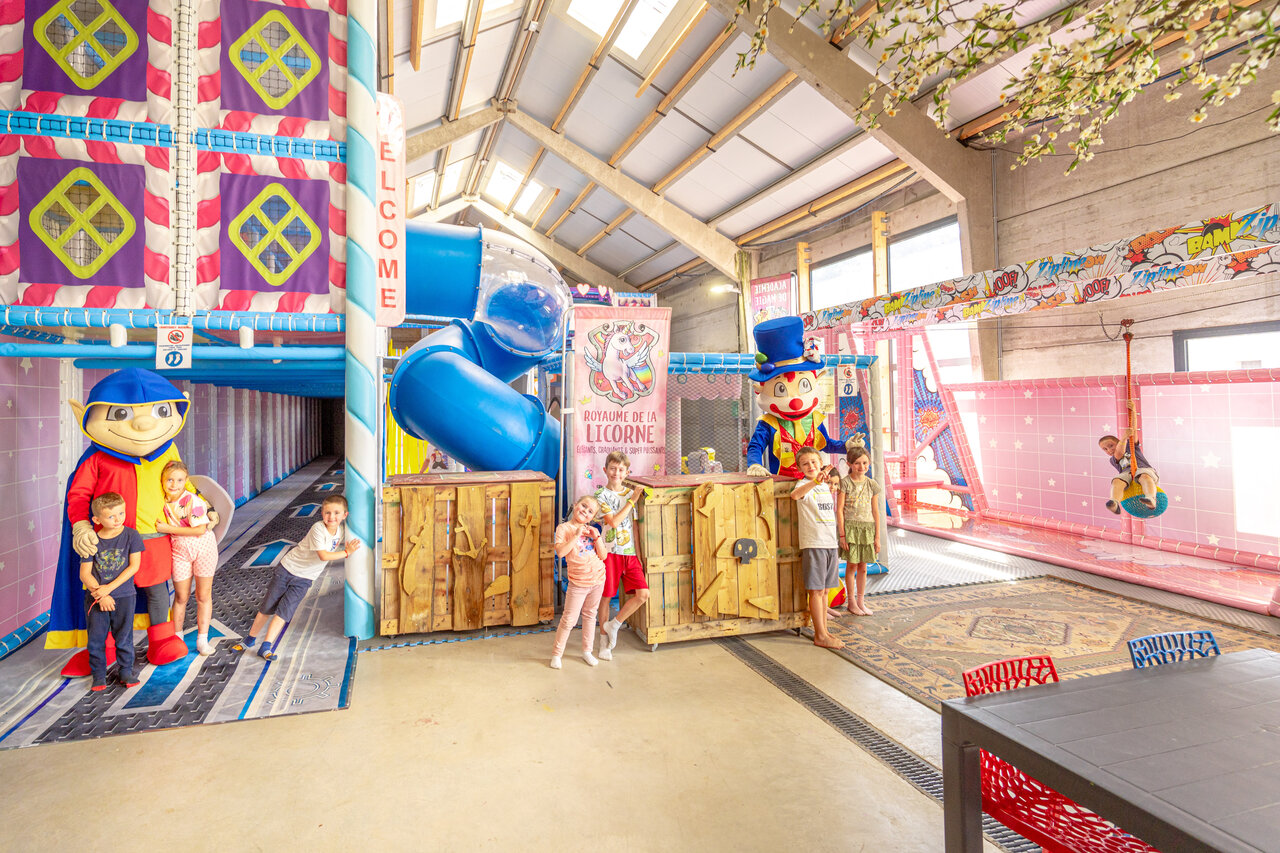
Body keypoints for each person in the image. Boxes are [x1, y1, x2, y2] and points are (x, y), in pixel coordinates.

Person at [232, 495, 360, 662]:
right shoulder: (318, 529)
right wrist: (346, 553)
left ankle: (266, 646)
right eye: (328, 512)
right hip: (287, 569)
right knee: (268, 607)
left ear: (345, 515)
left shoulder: (342, 531)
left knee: (284, 612)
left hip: (305, 578)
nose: (332, 517)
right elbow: (323, 556)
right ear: (322, 513)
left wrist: (350, 549)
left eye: (337, 513)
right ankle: (249, 639)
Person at [79, 493, 144, 691]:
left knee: (124, 637)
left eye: (121, 513)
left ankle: (125, 671)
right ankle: (99, 675)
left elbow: (133, 567)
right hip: (96, 598)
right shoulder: (92, 540)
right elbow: (85, 574)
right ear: (97, 520)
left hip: (124, 596)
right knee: (96, 639)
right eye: (111, 516)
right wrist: (102, 595)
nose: (117, 519)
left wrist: (109, 589)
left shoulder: (132, 536)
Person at [155, 461, 219, 655]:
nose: (174, 484)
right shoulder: (162, 501)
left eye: (180, 480)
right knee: (181, 596)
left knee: (203, 595)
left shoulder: (192, 500)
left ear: (186, 481)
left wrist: (168, 529)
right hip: (180, 551)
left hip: (203, 548)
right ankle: (177, 638)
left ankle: (202, 640)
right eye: (170, 480)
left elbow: (200, 529)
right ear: (163, 480)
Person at [593, 451, 650, 660]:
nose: (616, 472)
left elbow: (633, 526)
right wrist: (632, 500)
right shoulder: (600, 495)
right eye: (613, 468)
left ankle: (614, 625)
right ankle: (603, 643)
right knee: (606, 597)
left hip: (630, 553)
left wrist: (640, 555)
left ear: (627, 472)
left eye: (621, 469)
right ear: (605, 470)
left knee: (643, 594)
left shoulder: (629, 493)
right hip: (610, 554)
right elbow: (614, 522)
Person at [791, 446, 843, 649]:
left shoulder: (825, 485)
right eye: (805, 463)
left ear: (820, 463)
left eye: (814, 462)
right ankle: (819, 634)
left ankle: (825, 630)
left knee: (825, 591)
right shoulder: (805, 484)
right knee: (816, 590)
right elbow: (795, 496)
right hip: (814, 543)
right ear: (800, 468)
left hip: (830, 543)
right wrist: (814, 481)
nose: (811, 466)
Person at [550, 495, 607, 669]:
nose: (585, 511)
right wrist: (575, 535)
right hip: (578, 583)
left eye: (590, 511)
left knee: (590, 615)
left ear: (592, 517)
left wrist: (597, 537)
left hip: (598, 579)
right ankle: (557, 654)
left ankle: (587, 651)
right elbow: (560, 553)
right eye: (584, 506)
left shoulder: (591, 530)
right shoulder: (563, 528)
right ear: (575, 505)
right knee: (569, 620)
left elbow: (603, 556)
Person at [836, 446, 882, 616]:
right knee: (852, 565)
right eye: (857, 463)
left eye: (864, 463)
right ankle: (851, 602)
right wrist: (842, 534)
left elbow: (875, 511)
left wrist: (877, 537)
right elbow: (839, 509)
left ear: (869, 463)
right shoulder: (845, 483)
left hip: (867, 528)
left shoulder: (872, 484)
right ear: (849, 463)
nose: (861, 467)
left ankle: (861, 601)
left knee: (863, 567)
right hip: (851, 528)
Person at [1099, 414, 1159, 513]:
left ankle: (1151, 499)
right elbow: (1119, 453)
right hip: (1127, 475)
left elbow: (1133, 429)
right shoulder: (1113, 459)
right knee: (1117, 480)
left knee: (1144, 476)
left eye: (1111, 445)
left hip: (1143, 469)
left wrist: (1133, 411)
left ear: (1118, 443)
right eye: (1105, 449)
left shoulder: (1131, 446)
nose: (1109, 450)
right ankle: (1114, 502)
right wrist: (1123, 438)